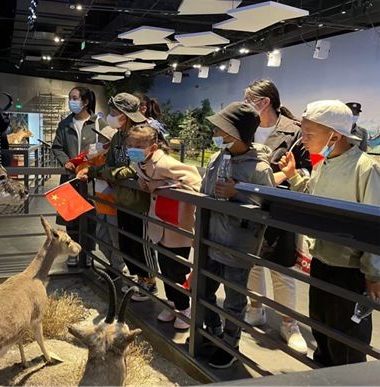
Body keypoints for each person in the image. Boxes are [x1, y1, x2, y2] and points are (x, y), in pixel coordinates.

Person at [279, 100, 380, 366]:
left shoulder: (365, 168)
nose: (303, 140)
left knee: (347, 339)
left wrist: (374, 274)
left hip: (351, 271)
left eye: (309, 134)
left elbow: (375, 227)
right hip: (322, 261)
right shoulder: (322, 164)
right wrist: (292, 176)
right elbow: (314, 199)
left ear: (334, 136)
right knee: (320, 326)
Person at [200, 102, 275, 369]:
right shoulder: (217, 157)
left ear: (237, 134)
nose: (217, 133)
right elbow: (205, 191)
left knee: (234, 298)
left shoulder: (260, 170)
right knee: (204, 290)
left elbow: (268, 208)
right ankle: (213, 332)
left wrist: (239, 194)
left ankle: (229, 345)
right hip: (209, 240)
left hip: (237, 245)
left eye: (223, 129)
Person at [243, 79, 311, 353]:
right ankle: (255, 307)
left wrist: (271, 180)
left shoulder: (293, 132)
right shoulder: (244, 125)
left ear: (264, 101)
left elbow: (305, 171)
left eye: (249, 99)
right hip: (248, 206)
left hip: (279, 209)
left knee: (283, 269)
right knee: (253, 263)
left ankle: (288, 323)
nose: (246, 103)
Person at [77, 93, 154, 301]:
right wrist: (95, 171)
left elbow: (133, 168)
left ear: (126, 114)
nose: (110, 115)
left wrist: (107, 173)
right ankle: (139, 278)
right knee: (127, 241)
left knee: (140, 242)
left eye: (114, 112)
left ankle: (149, 282)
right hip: (121, 197)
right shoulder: (119, 135)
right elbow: (111, 164)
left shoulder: (143, 133)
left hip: (139, 200)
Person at [128, 123, 202, 329]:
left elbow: (195, 180)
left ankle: (184, 308)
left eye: (138, 144)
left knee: (177, 269)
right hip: (158, 223)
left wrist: (162, 186)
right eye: (130, 144)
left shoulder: (165, 163)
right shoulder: (141, 163)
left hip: (176, 224)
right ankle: (172, 303)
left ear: (152, 146)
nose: (132, 148)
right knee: (165, 267)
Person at [52, 86, 105, 267]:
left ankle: (88, 252)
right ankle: (72, 252)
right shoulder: (64, 124)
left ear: (85, 101)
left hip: (90, 180)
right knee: (70, 219)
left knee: (91, 219)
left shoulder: (98, 123)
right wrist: (66, 161)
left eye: (74, 98)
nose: (71, 101)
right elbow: (57, 147)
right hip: (69, 179)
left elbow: (105, 147)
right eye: (70, 97)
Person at [76, 123, 125, 278]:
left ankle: (118, 269)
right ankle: (114, 266)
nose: (99, 140)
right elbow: (85, 165)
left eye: (103, 138)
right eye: (99, 137)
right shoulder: (98, 156)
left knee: (116, 240)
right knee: (102, 238)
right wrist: (83, 168)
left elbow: (110, 173)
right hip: (101, 204)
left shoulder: (116, 159)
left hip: (115, 206)